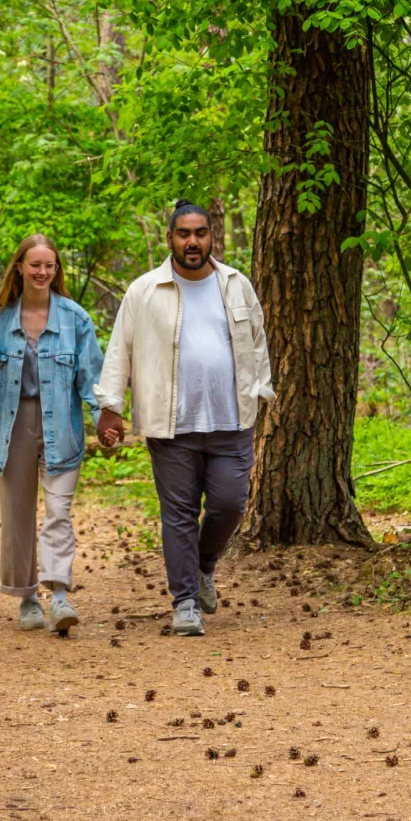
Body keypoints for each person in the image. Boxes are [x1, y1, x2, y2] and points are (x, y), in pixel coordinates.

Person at [96, 200, 273, 637]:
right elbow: (121, 350)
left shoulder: (236, 285)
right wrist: (109, 407)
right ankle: (186, 602)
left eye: (200, 233)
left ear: (212, 236)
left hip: (232, 422)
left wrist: (260, 391)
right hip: (170, 425)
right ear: (170, 238)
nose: (192, 242)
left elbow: (257, 340)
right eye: (183, 234)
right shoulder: (144, 290)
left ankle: (205, 564)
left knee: (231, 503)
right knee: (178, 514)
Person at [0, 234, 105, 634]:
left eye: (50, 265)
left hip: (61, 425)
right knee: (17, 515)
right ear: (19, 268)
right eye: (35, 265)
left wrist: (105, 417)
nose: (43, 272)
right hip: (12, 427)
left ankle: (60, 595)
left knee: (58, 512)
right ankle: (27, 597)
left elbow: (92, 378)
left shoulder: (76, 319)